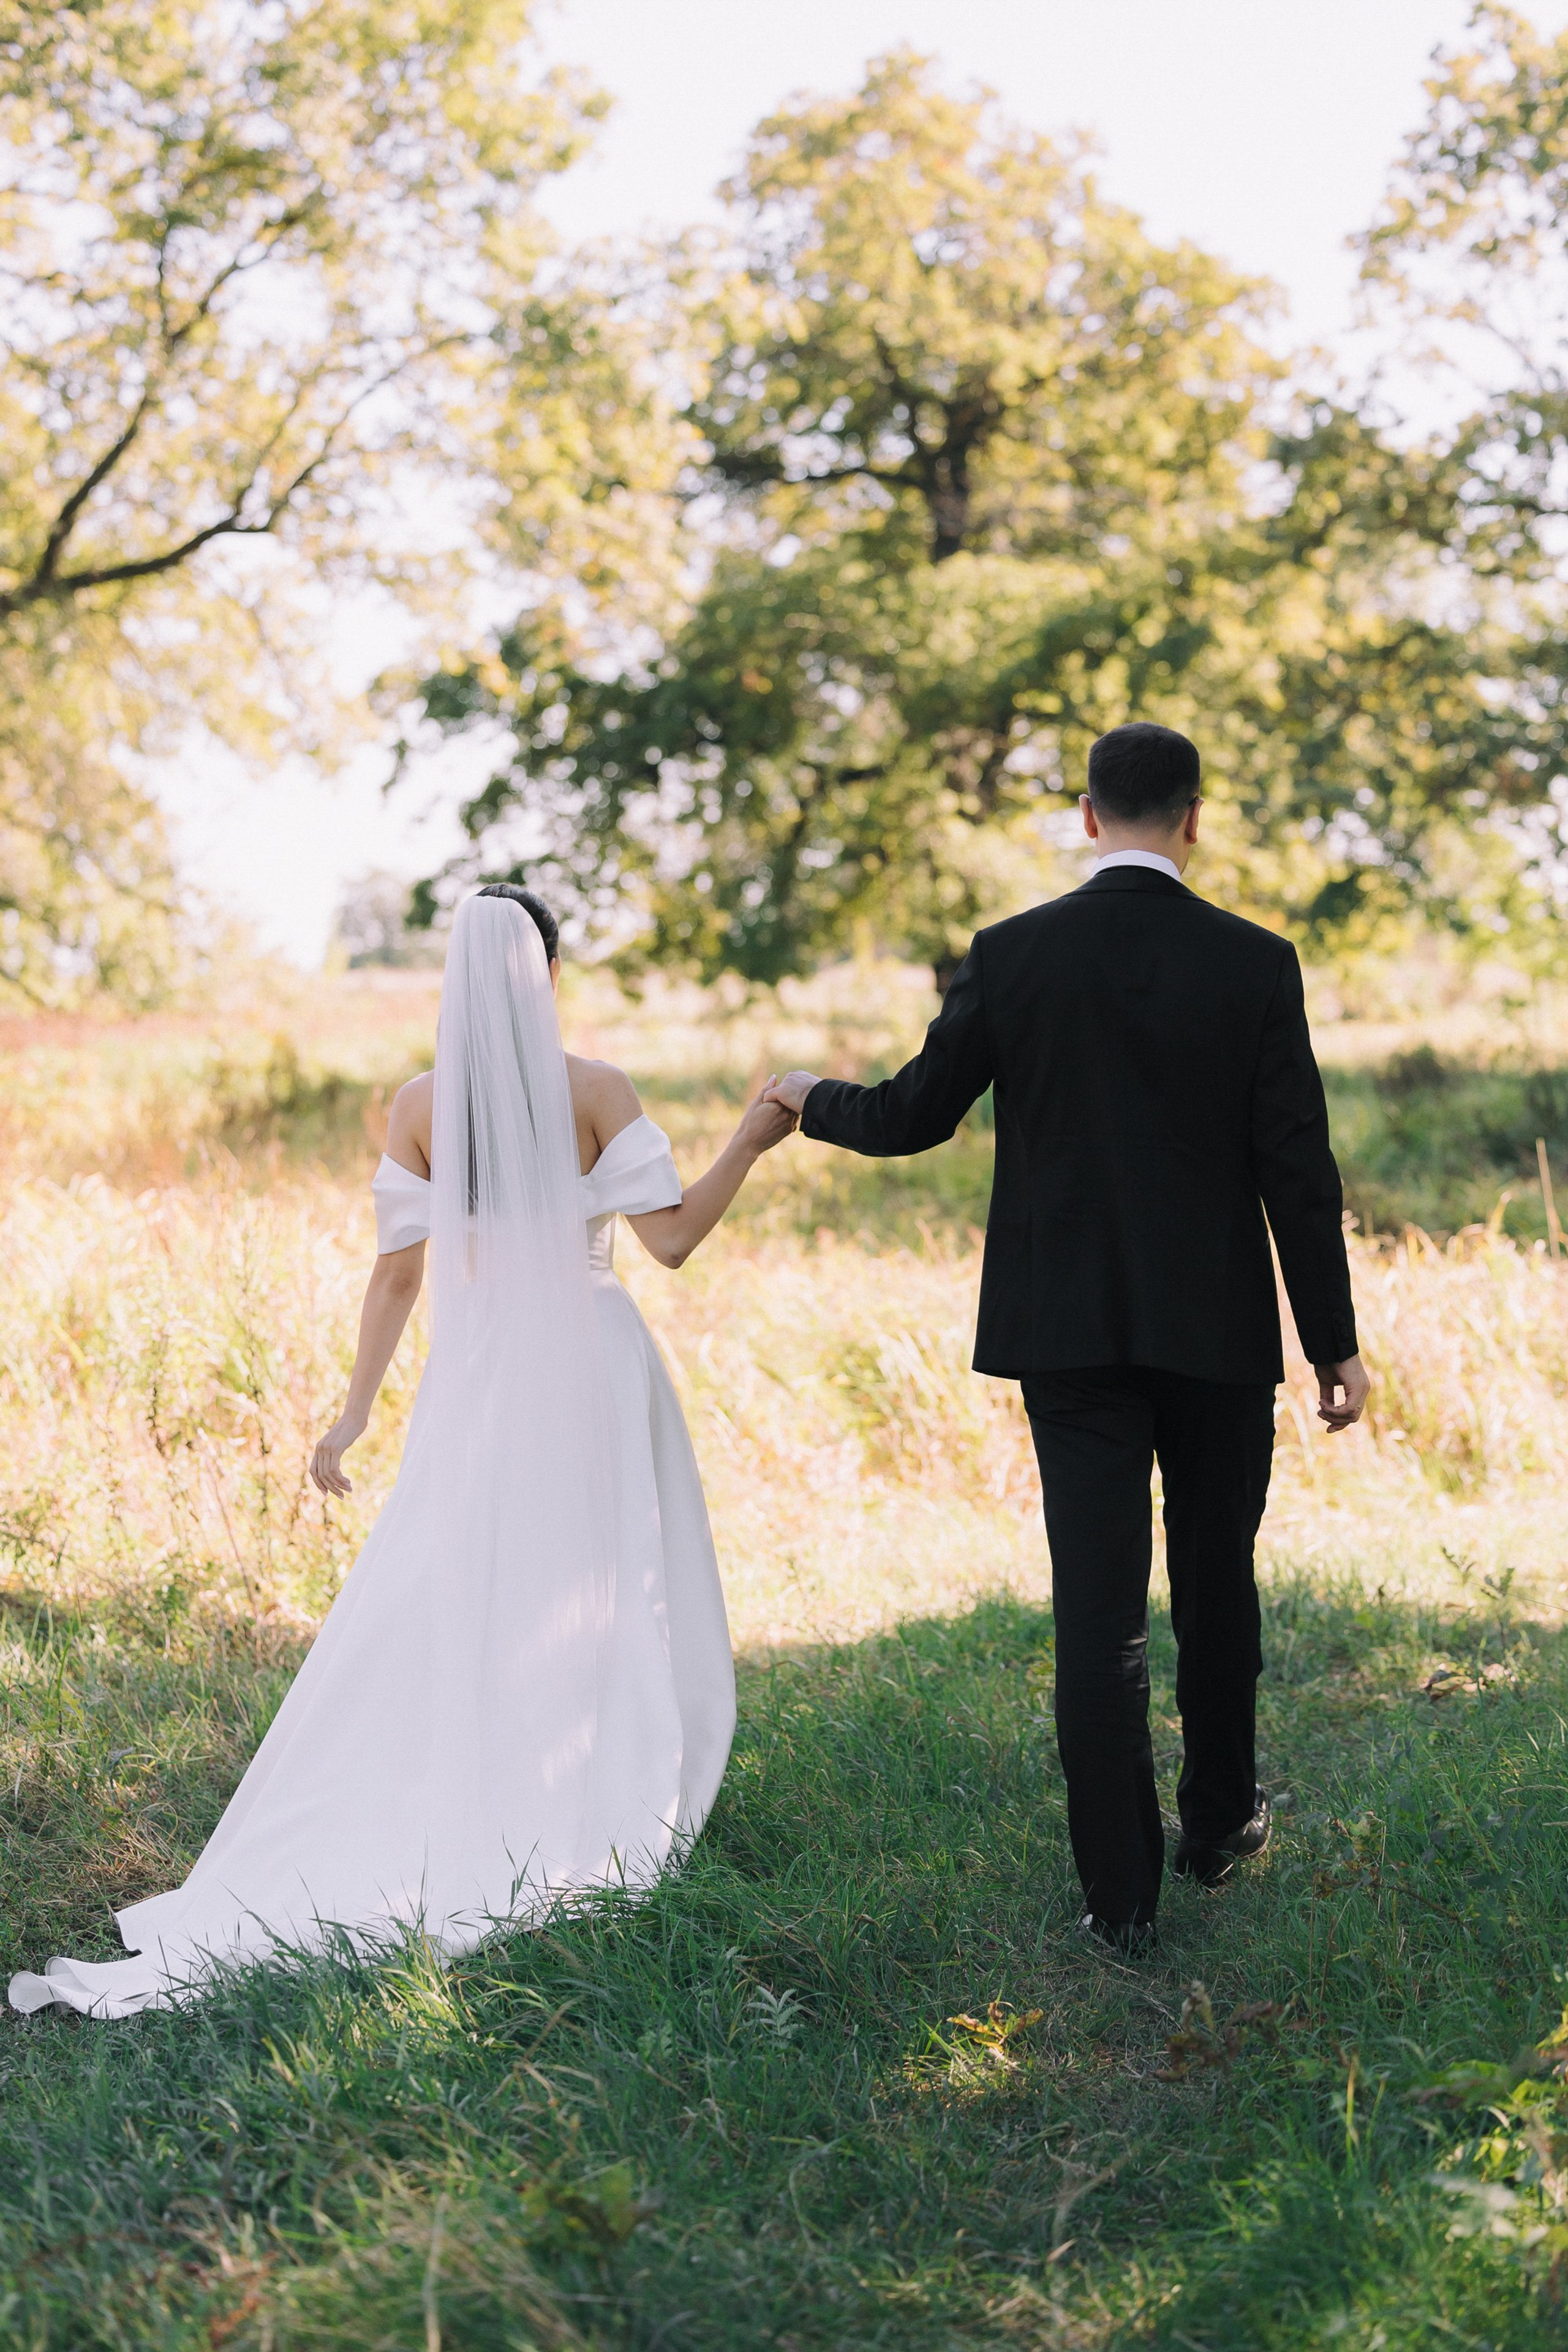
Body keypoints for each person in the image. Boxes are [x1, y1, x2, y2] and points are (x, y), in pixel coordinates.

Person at [10, 886, 797, 2017]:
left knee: (467, 1583)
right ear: (551, 972)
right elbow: (669, 1243)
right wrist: (749, 1142)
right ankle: (584, 1786)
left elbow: (397, 1274)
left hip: (475, 1379)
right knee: (599, 1579)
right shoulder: (597, 1088)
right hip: (592, 1363)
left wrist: (357, 1410)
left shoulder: (421, 1106)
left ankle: (477, 1777)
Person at [764, 723, 1367, 1955]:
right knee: (1214, 1581)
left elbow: (912, 1115)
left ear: (1086, 817)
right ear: (1191, 819)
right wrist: (1331, 1345)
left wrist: (805, 1100)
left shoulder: (1012, 954)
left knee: (1096, 1615)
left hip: (1069, 1333)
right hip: (1213, 1332)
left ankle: (1118, 1899)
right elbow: (1293, 1168)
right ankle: (1215, 1826)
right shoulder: (1255, 963)